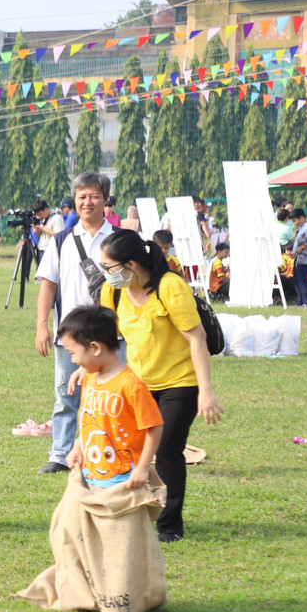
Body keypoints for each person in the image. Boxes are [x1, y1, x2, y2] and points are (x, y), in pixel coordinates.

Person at [95, 228, 223, 541]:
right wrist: (90, 371)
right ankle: (136, 514)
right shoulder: (112, 292)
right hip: (139, 384)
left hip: (180, 382)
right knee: (132, 450)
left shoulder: (170, 287)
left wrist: (205, 391)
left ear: (130, 265)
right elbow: (107, 339)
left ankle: (168, 528)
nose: (105, 274)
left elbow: (197, 338)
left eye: (109, 267)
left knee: (166, 450)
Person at [35, 172, 119, 475]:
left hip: (112, 335)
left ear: (105, 200)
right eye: (82, 196)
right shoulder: (61, 241)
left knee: (111, 395)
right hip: (69, 337)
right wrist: (41, 325)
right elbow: (47, 285)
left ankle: (108, 451)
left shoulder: (119, 240)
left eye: (94, 196)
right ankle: (60, 453)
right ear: (74, 200)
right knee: (66, 395)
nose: (87, 202)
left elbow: (130, 287)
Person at [57, 305, 162, 491]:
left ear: (95, 348)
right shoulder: (89, 378)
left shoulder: (131, 385)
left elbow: (154, 426)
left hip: (125, 483)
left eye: (73, 353)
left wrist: (144, 467)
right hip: (91, 477)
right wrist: (78, 446)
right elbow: (90, 421)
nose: (72, 361)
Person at [293, 208, 307, 309]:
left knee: (303, 281)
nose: (295, 223)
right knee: (298, 280)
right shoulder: (303, 227)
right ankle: (301, 301)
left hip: (305, 258)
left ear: (302, 218)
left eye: (295, 220)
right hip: (299, 258)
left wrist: (302, 247)